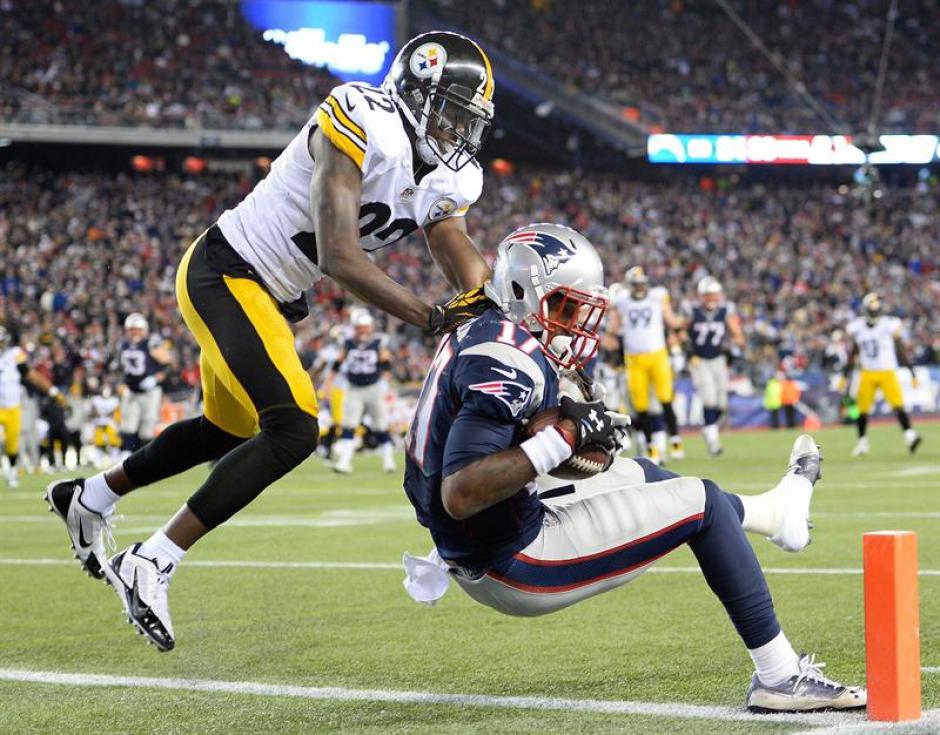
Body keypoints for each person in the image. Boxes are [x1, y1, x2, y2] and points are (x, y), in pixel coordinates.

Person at [44, 30, 497, 651]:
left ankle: (89, 494)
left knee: (224, 429)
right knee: (293, 428)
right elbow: (339, 255)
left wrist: (495, 302)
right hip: (225, 271)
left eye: (467, 119)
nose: (457, 132)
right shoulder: (364, 116)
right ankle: (152, 559)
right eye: (449, 111)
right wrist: (428, 316)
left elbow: (455, 249)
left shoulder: (451, 175)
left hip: (267, 294)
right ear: (415, 91)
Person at [401, 223, 866, 713]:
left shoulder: (490, 322)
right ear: (521, 291)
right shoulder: (506, 360)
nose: (577, 319)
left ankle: (775, 514)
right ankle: (780, 676)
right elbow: (461, 492)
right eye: (565, 304)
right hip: (513, 559)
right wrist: (562, 438)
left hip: (489, 536)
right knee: (701, 502)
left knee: (642, 471)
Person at [605, 266, 686, 464]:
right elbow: (612, 330)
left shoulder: (657, 297)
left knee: (665, 397)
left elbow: (672, 321)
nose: (640, 287)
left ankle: (675, 439)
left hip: (657, 355)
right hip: (634, 359)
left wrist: (683, 322)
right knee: (641, 405)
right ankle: (651, 446)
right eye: (636, 284)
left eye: (642, 283)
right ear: (630, 285)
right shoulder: (622, 301)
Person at [842, 292, 921, 456]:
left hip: (887, 371)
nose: (875, 308)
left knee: (898, 405)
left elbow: (901, 349)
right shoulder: (857, 327)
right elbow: (854, 352)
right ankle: (862, 442)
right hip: (868, 372)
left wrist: (912, 371)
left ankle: (910, 436)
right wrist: (845, 374)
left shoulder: (889, 324)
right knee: (862, 409)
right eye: (872, 305)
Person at [684, 276, 745, 456]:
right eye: (707, 295)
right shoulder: (692, 311)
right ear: (701, 296)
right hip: (699, 360)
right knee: (709, 399)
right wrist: (683, 346)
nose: (711, 299)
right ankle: (713, 441)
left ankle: (709, 428)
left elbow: (738, 336)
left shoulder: (725, 311)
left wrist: (735, 343)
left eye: (714, 295)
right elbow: (679, 330)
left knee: (721, 403)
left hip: (718, 359)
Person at [0, 327, 67, 487]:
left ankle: (12, 472)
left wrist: (52, 390)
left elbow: (31, 375)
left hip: (12, 406)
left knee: (12, 444)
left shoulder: (14, 354)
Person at [332, 310, 397, 474]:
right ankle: (344, 462)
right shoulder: (348, 343)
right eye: (360, 327)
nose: (362, 330)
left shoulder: (378, 342)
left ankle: (388, 461)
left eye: (365, 327)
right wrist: (329, 383)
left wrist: (385, 384)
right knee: (348, 425)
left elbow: (387, 365)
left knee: (381, 425)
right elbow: (337, 363)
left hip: (374, 387)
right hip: (354, 388)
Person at [116, 313, 171, 456]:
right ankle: (127, 454)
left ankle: (146, 456)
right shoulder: (123, 344)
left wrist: (155, 379)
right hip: (131, 390)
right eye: (132, 329)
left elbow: (167, 365)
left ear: (144, 329)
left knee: (148, 426)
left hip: (150, 391)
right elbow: (119, 368)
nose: (135, 332)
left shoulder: (151, 343)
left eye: (138, 329)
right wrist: (120, 383)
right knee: (128, 425)